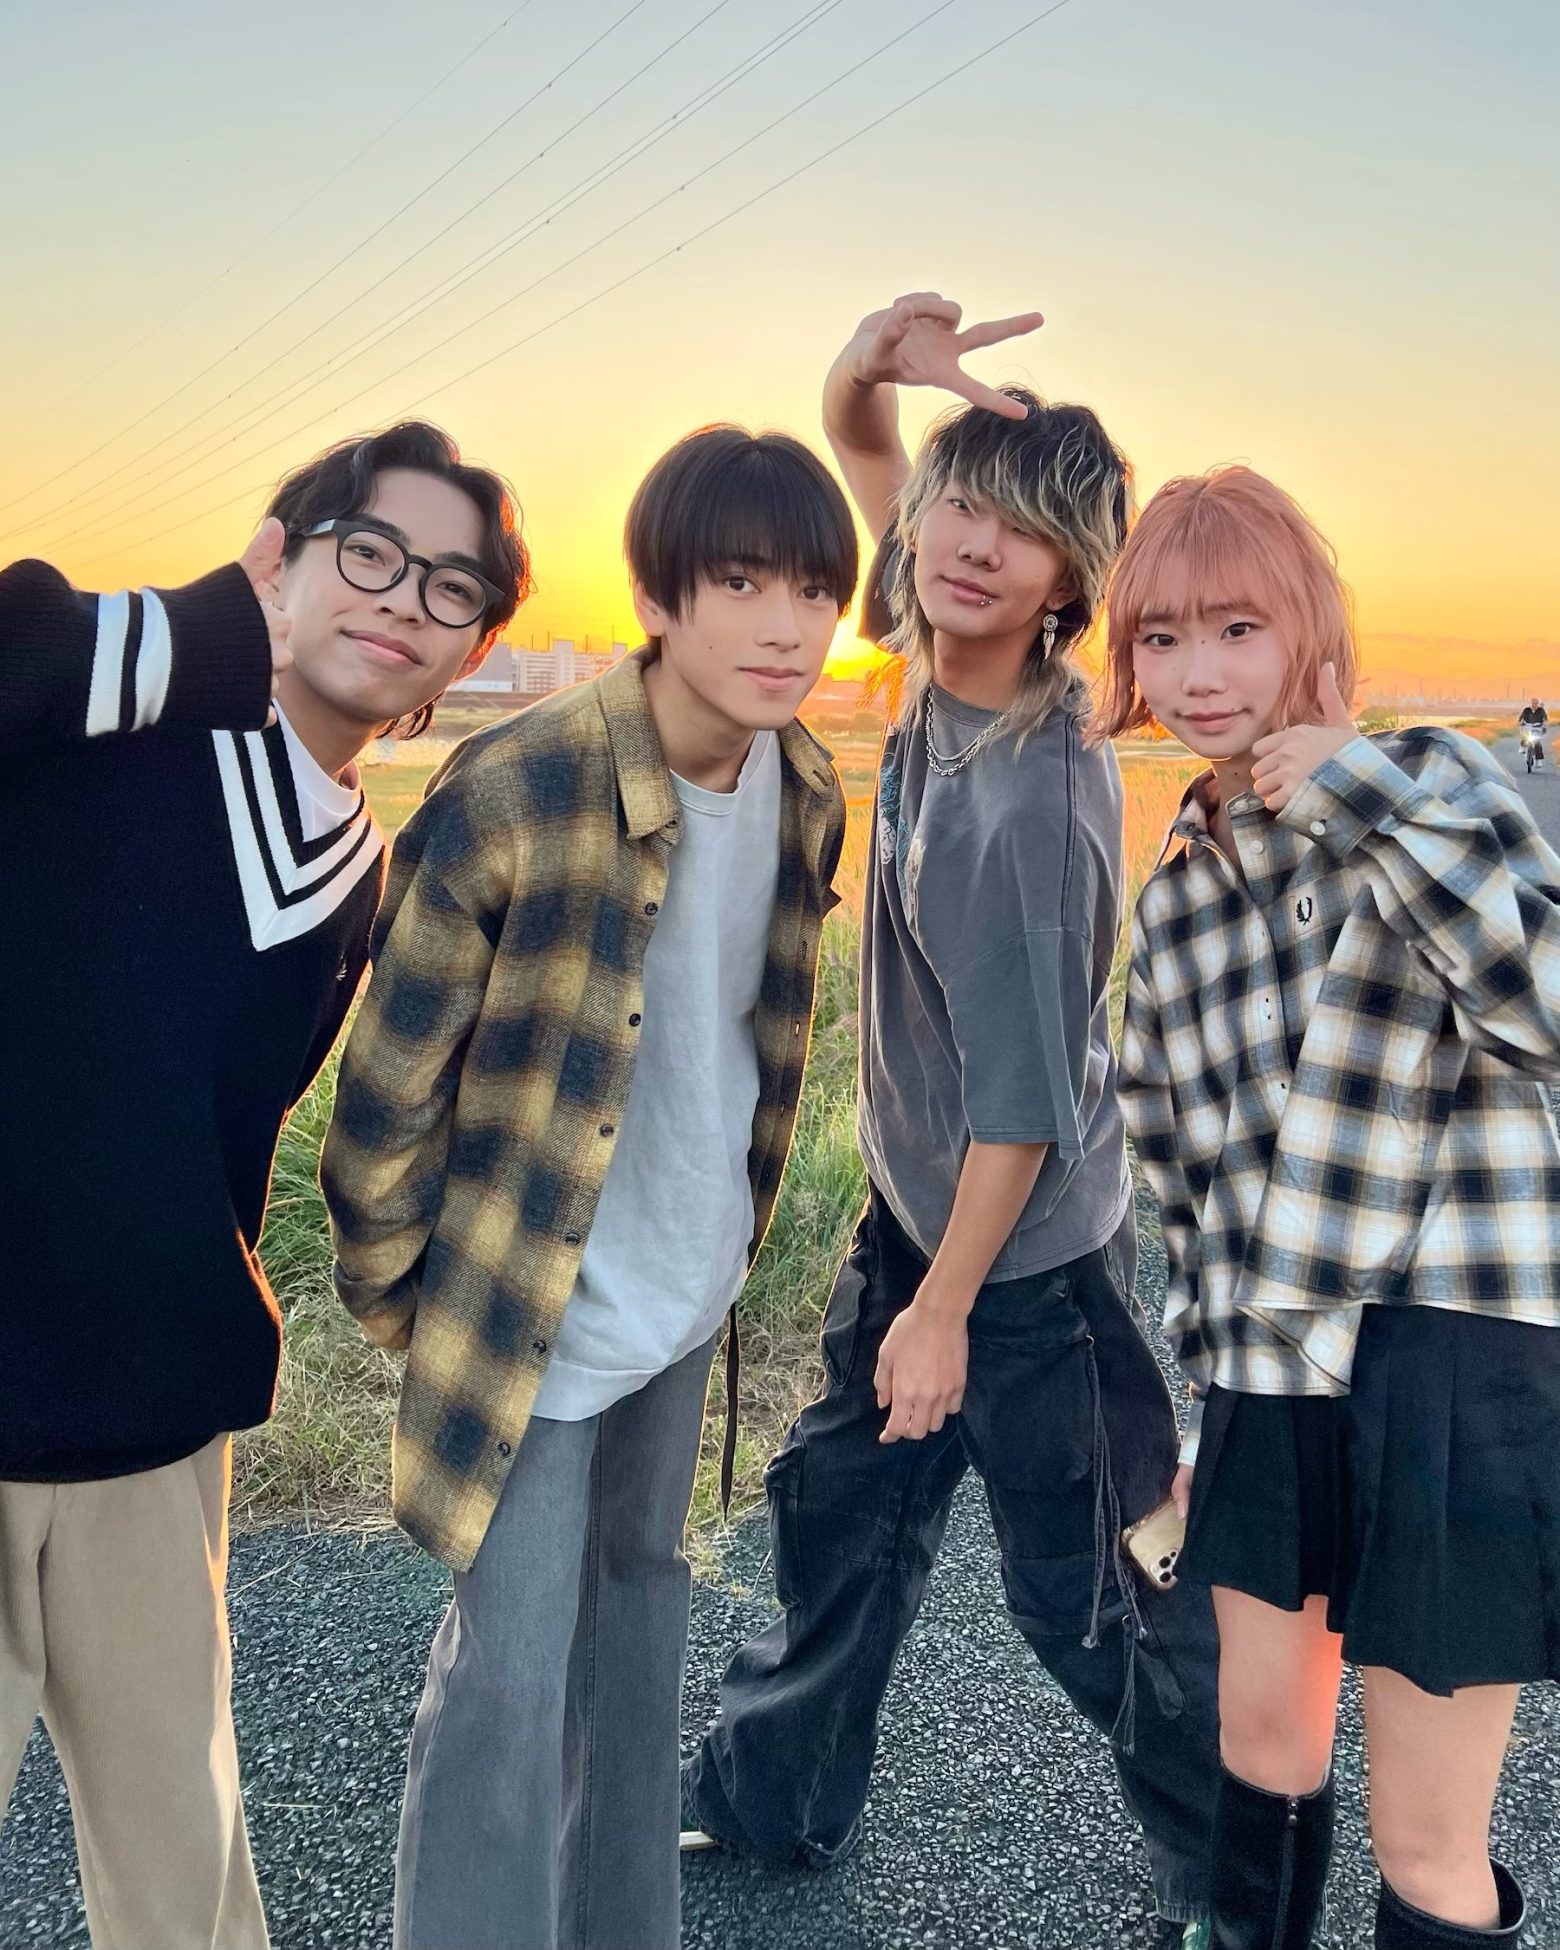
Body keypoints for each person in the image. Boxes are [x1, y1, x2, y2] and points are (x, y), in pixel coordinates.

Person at [681, 295, 1220, 1950]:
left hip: (1026, 1264)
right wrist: (873, 359)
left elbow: (1030, 1108)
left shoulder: (1025, 802)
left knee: (1088, 1594)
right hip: (921, 1215)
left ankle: (1241, 1851)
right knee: (842, 1519)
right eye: (960, 508)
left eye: (1026, 532)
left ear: (1071, 586)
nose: (975, 546)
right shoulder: (936, 648)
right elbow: (863, 445)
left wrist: (943, 1315)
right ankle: (771, 1797)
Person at [321, 423, 858, 1950]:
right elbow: (386, 1093)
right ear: (659, 597)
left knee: (638, 1633)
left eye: (814, 591)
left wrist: (722, 1247)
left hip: (684, 1291)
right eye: (740, 582)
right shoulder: (521, 786)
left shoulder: (806, 783)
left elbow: (754, 1034)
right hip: (527, 1316)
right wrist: (422, 1306)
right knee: (508, 1685)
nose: (785, 626)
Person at [0, 417, 527, 1950]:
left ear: (473, 650)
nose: (402, 598)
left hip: (152, 1422)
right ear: (279, 561)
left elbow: (230, 1130)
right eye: (370, 552)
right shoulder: (110, 734)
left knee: (185, 1853)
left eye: (450, 587)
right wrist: (210, 625)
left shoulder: (359, 869)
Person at [1104, 465, 1560, 1947]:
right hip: (1268, 1359)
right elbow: (1177, 1169)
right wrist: (1207, 1397)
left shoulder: (1433, 782)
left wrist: (1356, 799)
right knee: (1261, 1745)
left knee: (1426, 1835)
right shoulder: (1177, 888)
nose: (1199, 673)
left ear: (1311, 627)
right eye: (1162, 637)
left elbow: (1543, 1006)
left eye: (1237, 628)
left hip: (1451, 1344)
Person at [1517, 695, 1546, 768]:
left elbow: (1545, 719)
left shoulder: (1541, 710)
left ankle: (1538, 761)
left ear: (1538, 704)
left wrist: (1544, 724)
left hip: (1537, 728)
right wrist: (1519, 722)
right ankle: (1522, 746)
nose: (1534, 705)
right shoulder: (1526, 710)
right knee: (1525, 736)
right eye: (1533, 703)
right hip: (1527, 726)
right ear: (1530, 704)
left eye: (1536, 703)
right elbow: (1521, 718)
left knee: (1537, 743)